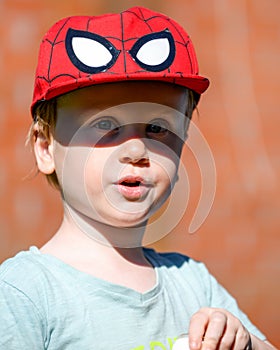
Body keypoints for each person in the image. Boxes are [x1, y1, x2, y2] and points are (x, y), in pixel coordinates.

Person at [0, 6, 275, 350]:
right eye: (104, 125)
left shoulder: (192, 282)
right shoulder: (26, 293)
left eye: (157, 128)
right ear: (45, 148)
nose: (134, 149)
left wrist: (244, 342)